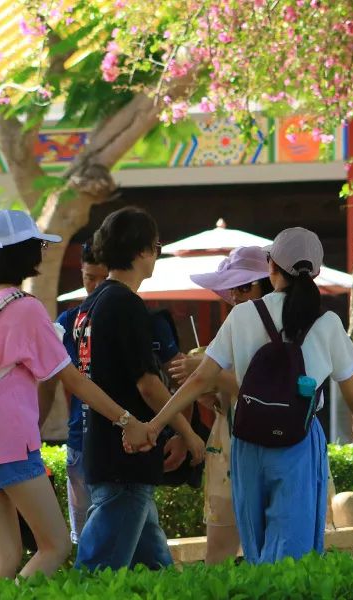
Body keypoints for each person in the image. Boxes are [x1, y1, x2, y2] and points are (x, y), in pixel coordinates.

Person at [137, 227, 353, 564]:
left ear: (271, 267)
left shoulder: (243, 315)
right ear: (316, 272)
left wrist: (155, 423)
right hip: (300, 439)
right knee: (293, 549)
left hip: (248, 438)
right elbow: (351, 386)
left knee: (255, 544)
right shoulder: (328, 322)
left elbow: (200, 378)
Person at [0, 209, 153, 580]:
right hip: (9, 444)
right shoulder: (26, 309)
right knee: (55, 545)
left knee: (3, 560)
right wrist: (127, 419)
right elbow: (72, 379)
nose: (42, 252)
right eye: (39, 245)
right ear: (24, 252)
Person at [72, 206, 206, 572]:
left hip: (105, 448)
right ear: (143, 250)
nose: (156, 255)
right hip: (127, 456)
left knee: (153, 568)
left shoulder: (90, 304)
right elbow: (148, 385)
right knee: (98, 572)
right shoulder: (125, 304)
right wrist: (187, 432)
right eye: (156, 247)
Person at [167, 245, 274, 564]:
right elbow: (221, 397)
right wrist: (208, 393)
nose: (236, 296)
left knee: (272, 548)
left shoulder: (281, 326)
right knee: (220, 549)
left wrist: (207, 375)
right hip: (228, 440)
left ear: (267, 284)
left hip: (272, 440)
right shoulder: (234, 325)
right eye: (232, 289)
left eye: (245, 287)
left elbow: (265, 392)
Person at [38, 241, 108, 546]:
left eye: (103, 278)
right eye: (89, 277)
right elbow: (48, 383)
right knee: (82, 537)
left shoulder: (126, 319)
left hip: (120, 442)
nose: (95, 286)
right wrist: (34, 431)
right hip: (80, 439)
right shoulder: (66, 323)